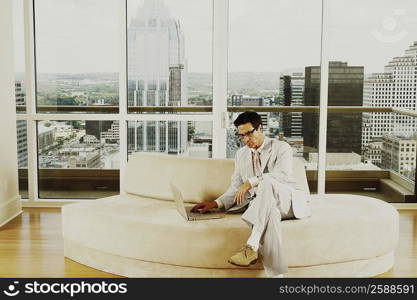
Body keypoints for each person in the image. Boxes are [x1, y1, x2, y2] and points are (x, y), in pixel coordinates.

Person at [191, 111, 311, 277]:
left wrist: (251, 182)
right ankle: (277, 278)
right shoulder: (241, 155)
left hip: (287, 201)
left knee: (267, 183)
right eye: (242, 136)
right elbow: (235, 187)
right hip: (265, 206)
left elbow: (282, 175)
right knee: (271, 215)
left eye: (249, 133)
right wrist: (215, 203)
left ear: (260, 128)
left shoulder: (281, 148)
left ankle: (251, 244)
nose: (246, 140)